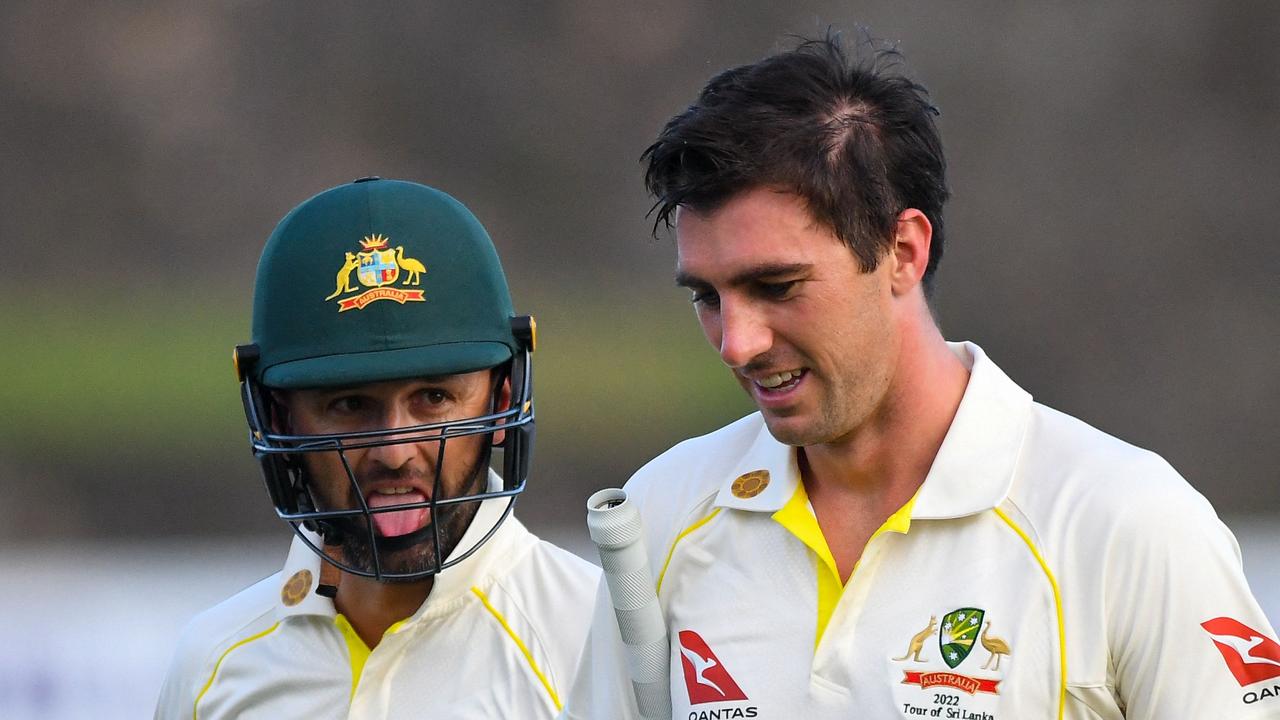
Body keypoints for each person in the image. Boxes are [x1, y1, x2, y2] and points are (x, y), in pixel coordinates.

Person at [560, 35, 1279, 720]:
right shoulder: (664, 511)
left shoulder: (1128, 523)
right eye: (707, 297)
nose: (736, 343)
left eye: (777, 286)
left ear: (903, 250)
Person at [156, 177, 599, 719]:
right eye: (348, 404)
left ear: (499, 401)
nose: (395, 451)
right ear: (280, 419)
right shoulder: (214, 668)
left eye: (434, 398)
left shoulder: (594, 643)